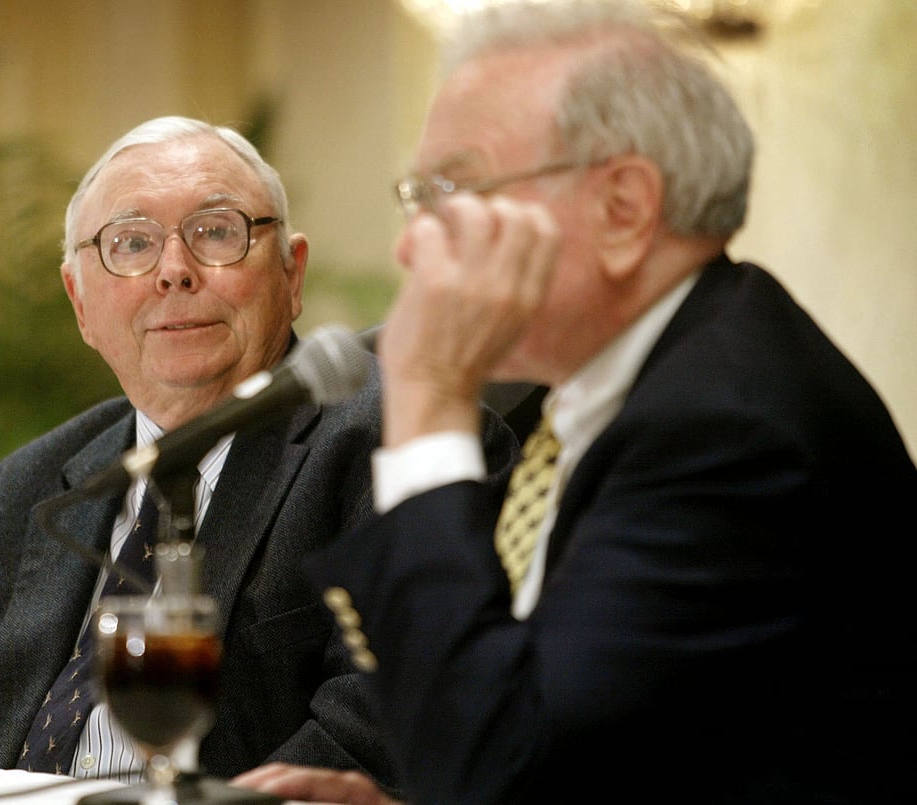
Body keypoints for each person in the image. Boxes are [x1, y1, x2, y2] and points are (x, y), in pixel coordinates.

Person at [233, 1, 917, 803]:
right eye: (417, 196)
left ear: (623, 209)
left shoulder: (726, 426)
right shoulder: (649, 382)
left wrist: (429, 400)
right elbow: (578, 747)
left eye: (454, 190)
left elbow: (495, 764)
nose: (412, 244)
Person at [0, 115, 515, 792]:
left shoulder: (397, 445)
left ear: (292, 273)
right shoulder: (13, 499)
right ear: (80, 302)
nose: (174, 272)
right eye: (132, 243)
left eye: (216, 232)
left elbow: (382, 727)